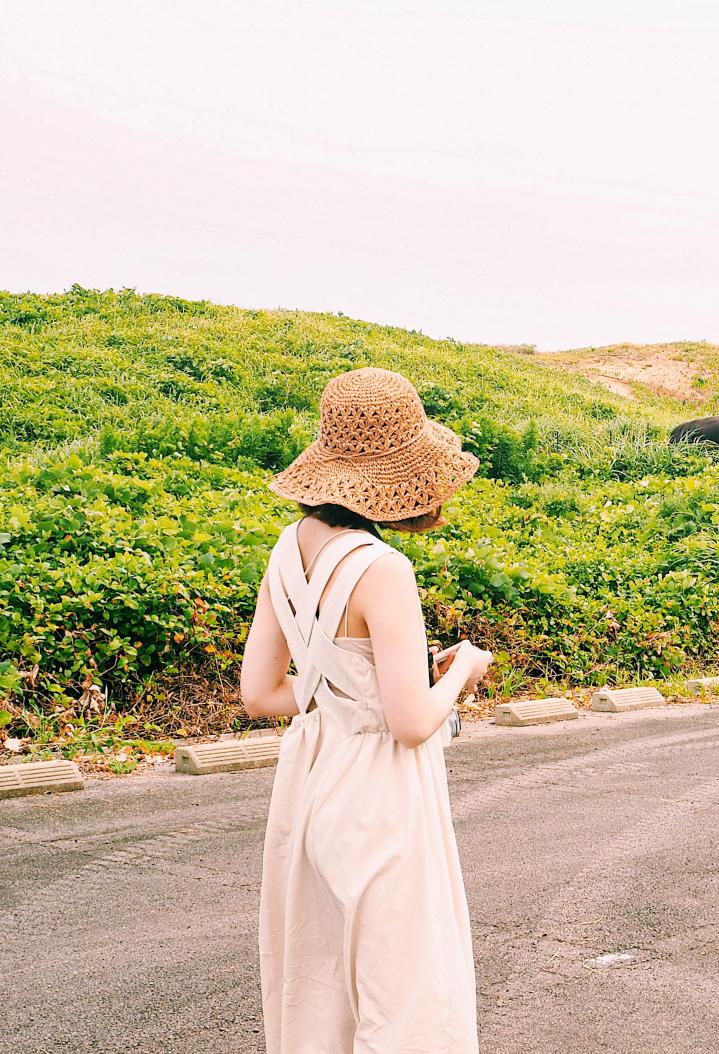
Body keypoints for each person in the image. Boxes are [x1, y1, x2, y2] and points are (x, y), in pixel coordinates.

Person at [239, 366, 492, 1053]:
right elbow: (412, 724)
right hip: (380, 793)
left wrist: (357, 689)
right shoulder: (384, 569)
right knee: (404, 990)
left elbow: (261, 694)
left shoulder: (286, 554)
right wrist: (464, 669)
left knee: (319, 985)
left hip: (311, 781)